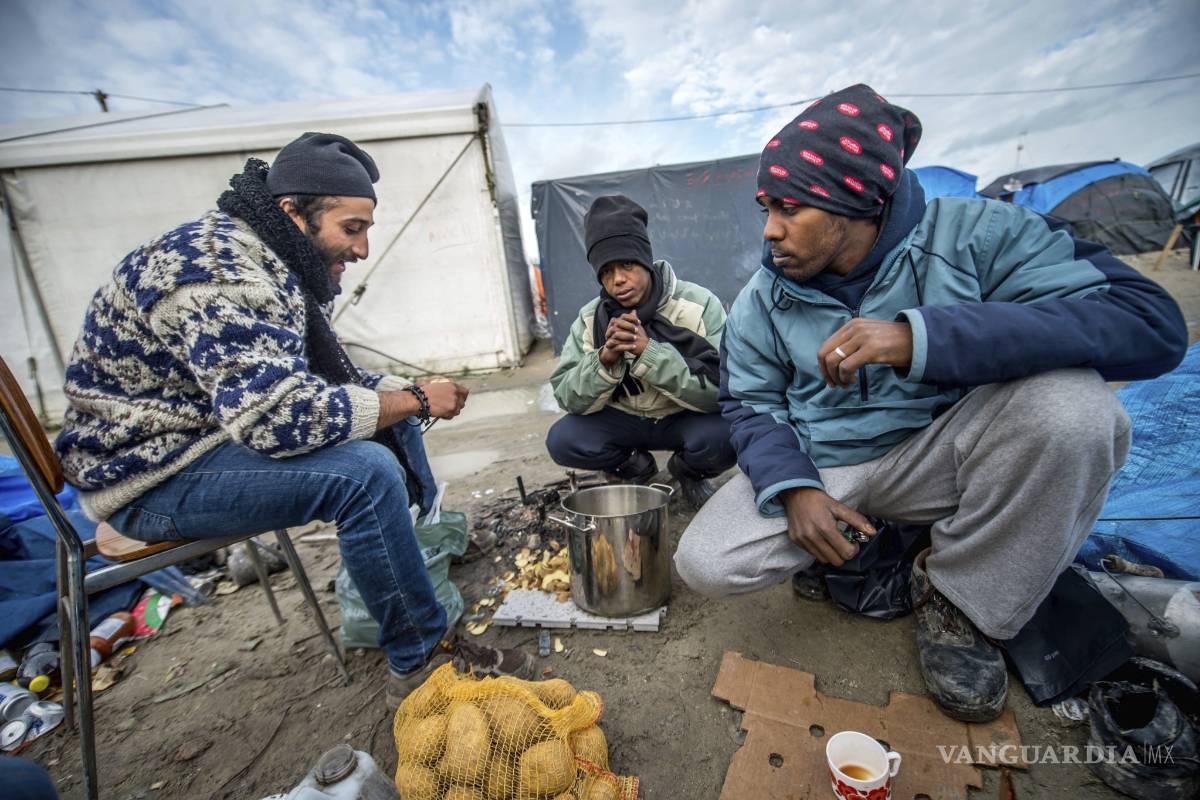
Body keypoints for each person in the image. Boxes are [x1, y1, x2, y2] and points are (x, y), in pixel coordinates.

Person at [674, 84, 1188, 722]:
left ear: (857, 201)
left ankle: (957, 600)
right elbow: (750, 403)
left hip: (946, 454)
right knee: (707, 561)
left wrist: (921, 339)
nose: (770, 230)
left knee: (1075, 410)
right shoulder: (762, 296)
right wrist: (794, 489)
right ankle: (868, 541)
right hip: (831, 467)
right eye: (766, 208)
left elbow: (1148, 324)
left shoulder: (976, 236)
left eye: (790, 207)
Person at [54, 132, 534, 708]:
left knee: (396, 413)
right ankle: (422, 658)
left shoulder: (270, 256)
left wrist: (406, 394)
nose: (362, 249)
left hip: (205, 433)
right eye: (351, 229)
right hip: (149, 476)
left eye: (366, 230)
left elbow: (309, 378)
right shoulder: (217, 272)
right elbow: (275, 418)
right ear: (292, 212)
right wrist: (416, 399)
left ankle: (427, 544)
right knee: (366, 474)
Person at [546, 195, 736, 508]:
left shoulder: (697, 305)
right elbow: (567, 395)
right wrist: (604, 362)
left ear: (645, 260)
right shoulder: (591, 318)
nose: (618, 280)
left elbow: (725, 389)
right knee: (563, 440)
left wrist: (650, 354)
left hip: (682, 417)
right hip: (625, 419)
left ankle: (687, 472)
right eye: (606, 271)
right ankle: (636, 468)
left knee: (732, 432)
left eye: (627, 264)